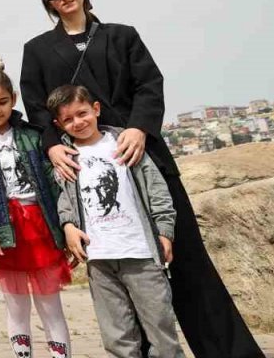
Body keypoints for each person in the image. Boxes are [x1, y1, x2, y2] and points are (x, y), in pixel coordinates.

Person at [19, 0, 262, 358]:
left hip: (142, 159)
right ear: (47, 3)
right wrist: (51, 146)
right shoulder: (38, 50)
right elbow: (36, 109)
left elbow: (150, 85)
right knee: (122, 282)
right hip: (89, 174)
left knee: (188, 265)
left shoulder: (122, 35)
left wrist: (138, 129)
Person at [49, 85, 184, 358]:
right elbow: (63, 200)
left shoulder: (123, 142)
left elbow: (156, 190)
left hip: (141, 254)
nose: (78, 122)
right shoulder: (65, 157)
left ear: (96, 109)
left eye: (82, 113)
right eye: (68, 119)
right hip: (99, 260)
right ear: (58, 124)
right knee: (117, 336)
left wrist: (165, 232)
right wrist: (68, 227)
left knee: (161, 330)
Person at [0, 55, 72, 358]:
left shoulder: (32, 134)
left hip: (40, 228)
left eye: (2, 101)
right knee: (16, 307)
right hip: (4, 230)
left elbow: (53, 181)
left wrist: (68, 225)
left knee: (51, 307)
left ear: (14, 99)